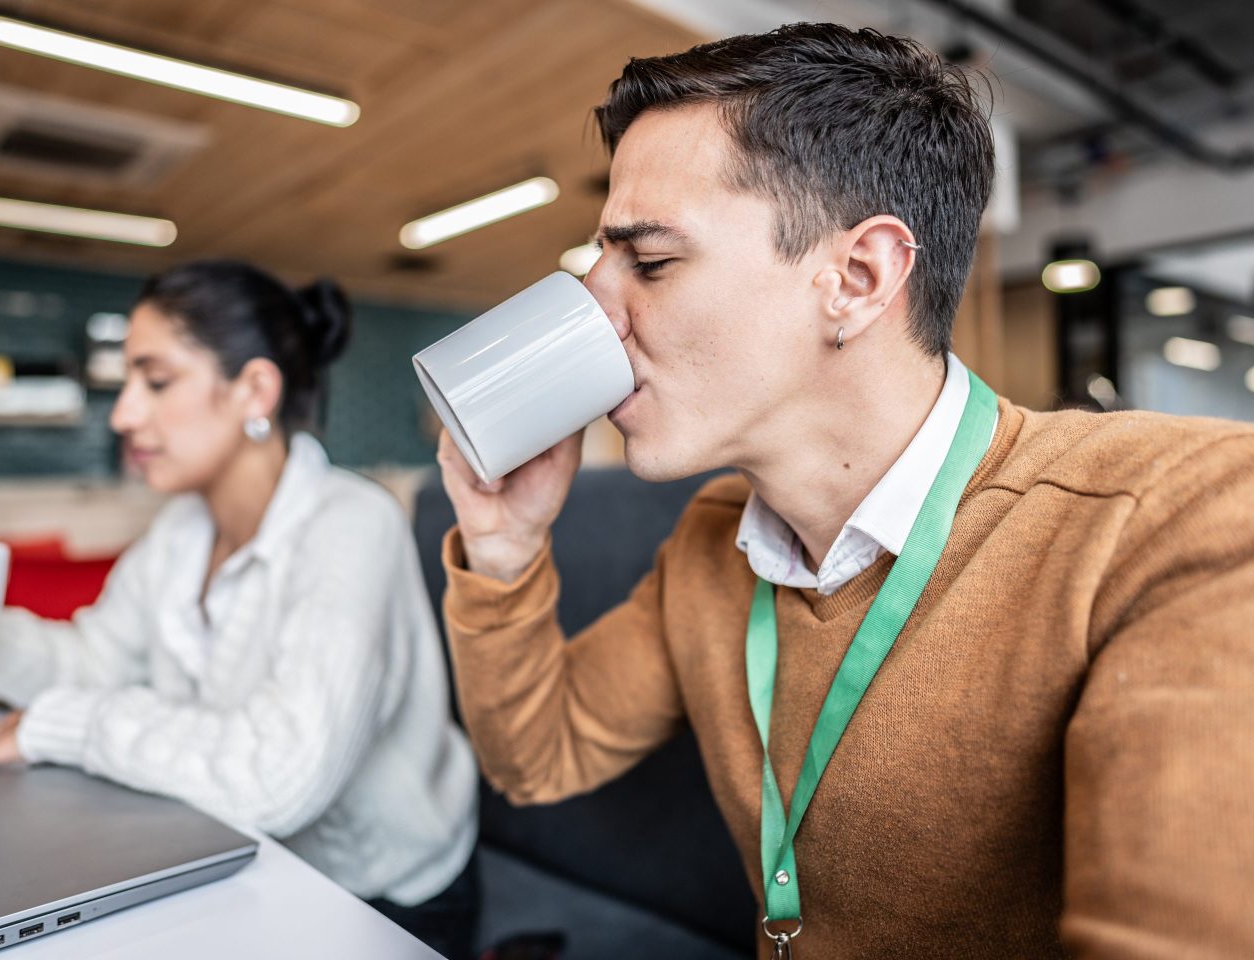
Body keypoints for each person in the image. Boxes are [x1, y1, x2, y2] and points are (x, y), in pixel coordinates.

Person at [433, 24, 1254, 960]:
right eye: (600, 263)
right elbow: (538, 758)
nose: (594, 308)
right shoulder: (714, 543)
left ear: (858, 279)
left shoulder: (1181, 517)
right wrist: (504, 550)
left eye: (650, 262)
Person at [0, 260, 480, 959]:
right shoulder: (179, 531)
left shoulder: (353, 524)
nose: (122, 414)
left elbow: (277, 778)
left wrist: (56, 727)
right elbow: (89, 664)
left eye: (156, 379)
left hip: (378, 895)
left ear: (255, 390)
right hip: (240, 856)